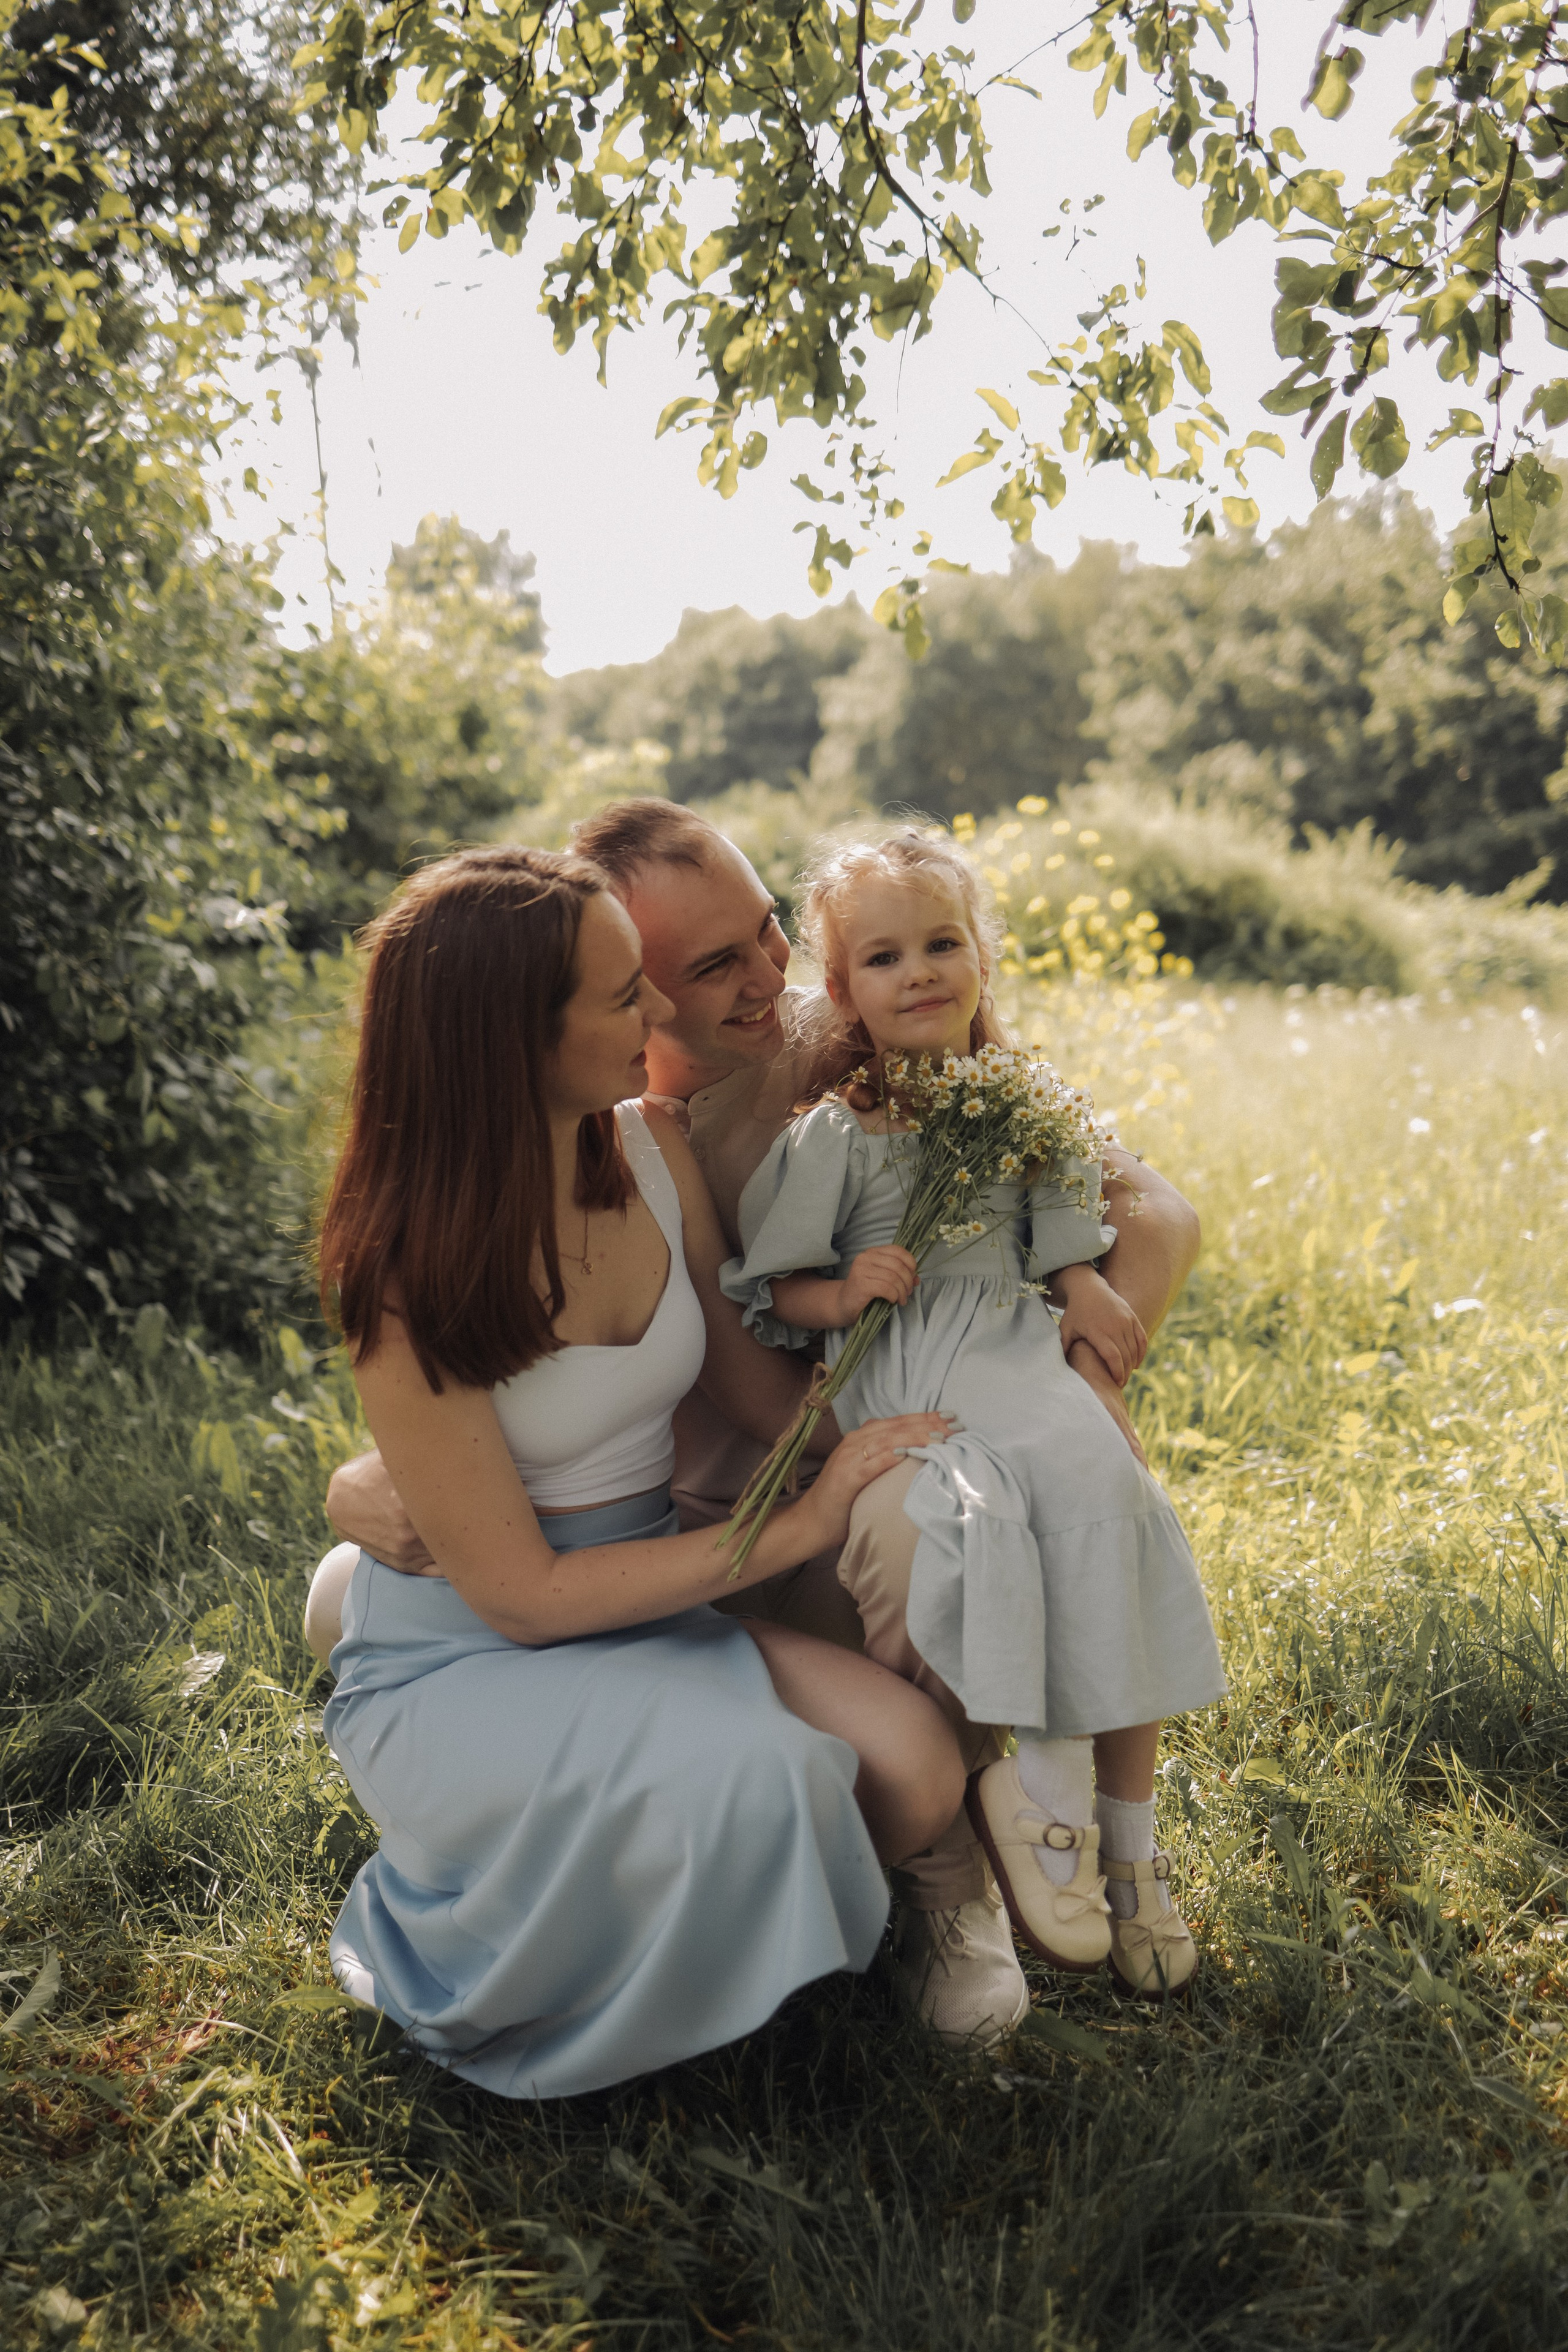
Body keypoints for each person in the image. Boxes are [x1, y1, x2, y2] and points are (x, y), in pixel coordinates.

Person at [317, 800, 1204, 2042]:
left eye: (773, 932)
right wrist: (364, 1484)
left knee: (910, 1667)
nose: (770, 980)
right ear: (522, 1033)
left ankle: (964, 1859)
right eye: (670, 979)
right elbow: (508, 1512)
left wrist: (1038, 1413)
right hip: (625, 1567)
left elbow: (1124, 1196)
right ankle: (397, 1655)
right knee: (756, 1770)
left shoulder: (784, 1060)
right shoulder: (439, 1238)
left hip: (708, 1554)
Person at [312, 844, 960, 2098]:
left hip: (652, 1608)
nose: (659, 1014)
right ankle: (574, 1936)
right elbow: (523, 1599)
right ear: (508, 1040)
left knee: (914, 1762)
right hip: (479, 1642)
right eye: (623, 997)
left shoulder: (649, 1153)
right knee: (758, 1777)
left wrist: (948, 1409)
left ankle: (675, 1893)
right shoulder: (403, 1270)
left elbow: (755, 1393)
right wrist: (800, 1528)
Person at [720, 830, 1226, 1997]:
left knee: (1108, 1500)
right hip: (909, 1366)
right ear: (840, 990)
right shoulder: (836, 1130)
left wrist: (1087, 1280)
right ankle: (1040, 1796)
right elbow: (773, 1288)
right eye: (884, 957)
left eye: (943, 943)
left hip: (1011, 1347)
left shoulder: (1016, 1105)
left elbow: (1065, 1234)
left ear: (983, 957)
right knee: (980, 1523)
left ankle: (1128, 1843)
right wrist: (843, 1289)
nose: (921, 973)